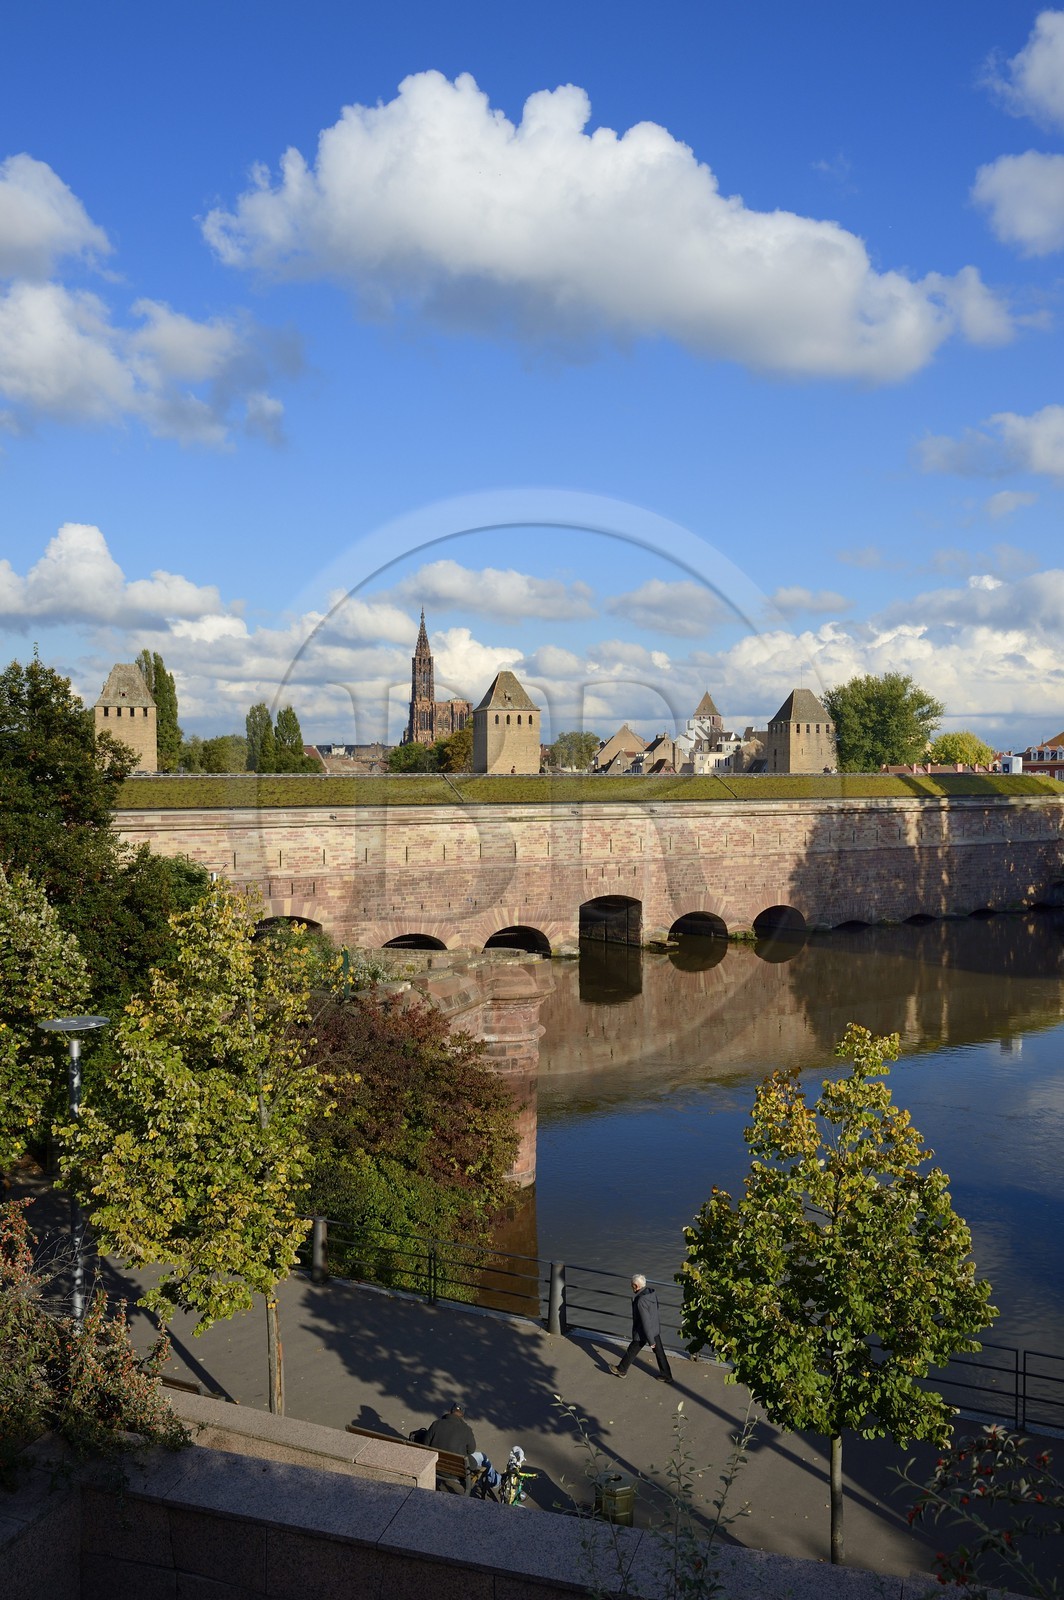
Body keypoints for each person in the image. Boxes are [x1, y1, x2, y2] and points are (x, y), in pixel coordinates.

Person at [612, 1274, 673, 1383]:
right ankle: (667, 1375)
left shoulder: (640, 1301)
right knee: (660, 1353)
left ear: (636, 1286)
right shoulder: (651, 1293)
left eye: (632, 1285)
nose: (631, 1287)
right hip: (654, 1329)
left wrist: (651, 1341)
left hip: (643, 1332)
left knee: (632, 1350)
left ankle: (621, 1369)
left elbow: (645, 1321)